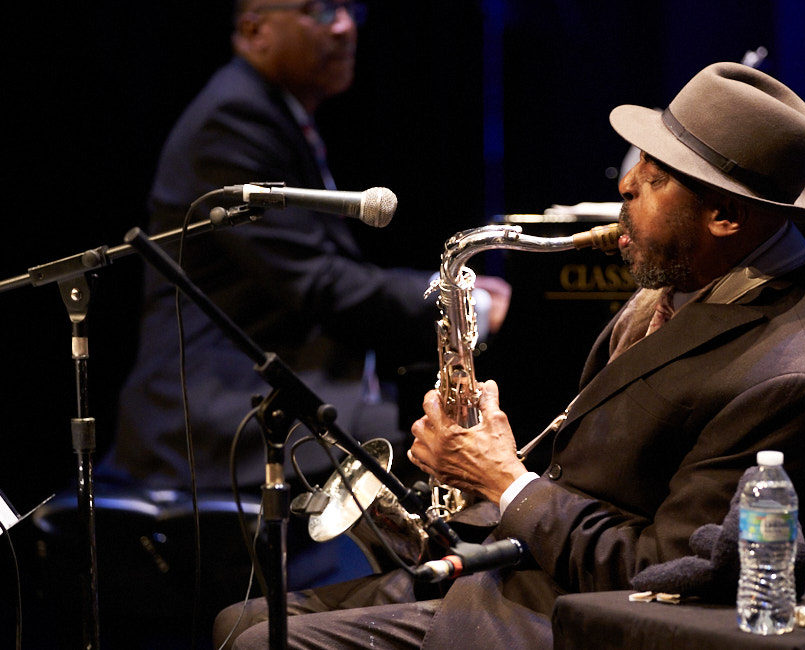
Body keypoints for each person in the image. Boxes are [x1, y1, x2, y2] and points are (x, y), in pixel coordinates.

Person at [216, 61, 805, 649]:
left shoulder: (788, 379)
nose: (625, 185)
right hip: (526, 567)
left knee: (256, 643)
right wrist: (468, 485)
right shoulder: (685, 279)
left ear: (725, 215)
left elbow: (660, 572)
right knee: (236, 621)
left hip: (573, 615)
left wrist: (504, 481)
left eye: (657, 178)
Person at [95, 0, 509, 586]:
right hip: (215, 410)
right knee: (425, 447)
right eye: (317, 10)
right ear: (254, 29)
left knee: (432, 440)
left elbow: (320, 271)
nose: (343, 25)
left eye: (347, 8)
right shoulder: (233, 117)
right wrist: (462, 301)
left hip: (271, 373)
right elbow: (317, 284)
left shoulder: (274, 111)